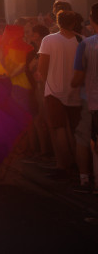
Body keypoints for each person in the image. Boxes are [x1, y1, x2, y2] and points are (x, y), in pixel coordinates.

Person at [37, 10, 84, 178]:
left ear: (57, 22)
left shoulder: (49, 40)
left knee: (59, 129)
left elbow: (42, 67)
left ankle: (64, 165)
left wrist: (43, 83)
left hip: (53, 90)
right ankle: (80, 168)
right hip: (75, 90)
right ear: (73, 23)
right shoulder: (81, 40)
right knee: (75, 130)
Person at [72, 2, 98, 192]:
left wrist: (72, 84)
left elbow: (78, 77)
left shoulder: (86, 44)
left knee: (85, 138)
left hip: (91, 99)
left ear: (92, 19)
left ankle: (85, 179)